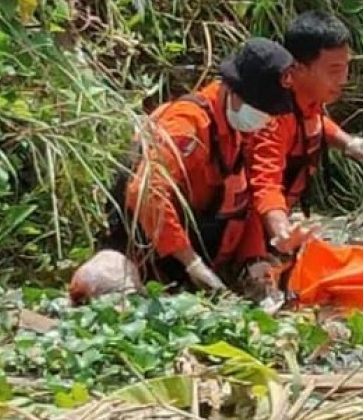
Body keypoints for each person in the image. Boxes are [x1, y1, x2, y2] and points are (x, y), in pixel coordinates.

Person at [73, 38, 296, 303]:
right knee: (100, 283)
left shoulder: (242, 130)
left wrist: (254, 258)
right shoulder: (186, 126)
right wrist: (191, 263)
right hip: (146, 256)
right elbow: (147, 193)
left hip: (207, 260)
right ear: (233, 92)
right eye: (261, 110)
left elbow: (246, 202)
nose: (266, 120)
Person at [245, 11, 363, 253]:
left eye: (346, 68)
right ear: (297, 68)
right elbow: (265, 184)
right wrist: (282, 232)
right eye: (334, 70)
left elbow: (315, 122)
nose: (344, 79)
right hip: (248, 229)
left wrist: (351, 144)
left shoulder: (307, 97)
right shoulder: (271, 114)